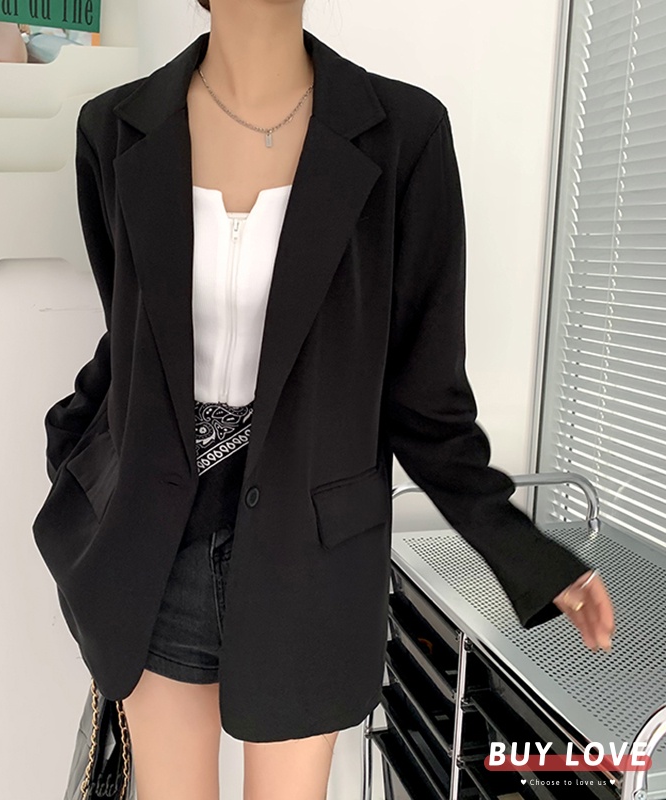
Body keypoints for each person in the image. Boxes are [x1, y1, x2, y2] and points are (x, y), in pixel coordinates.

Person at [36, 2, 616, 798]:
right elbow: (130, 335)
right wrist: (75, 459)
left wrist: (526, 553)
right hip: (152, 548)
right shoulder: (113, 130)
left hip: (308, 555)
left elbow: (426, 396)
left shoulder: (404, 135)